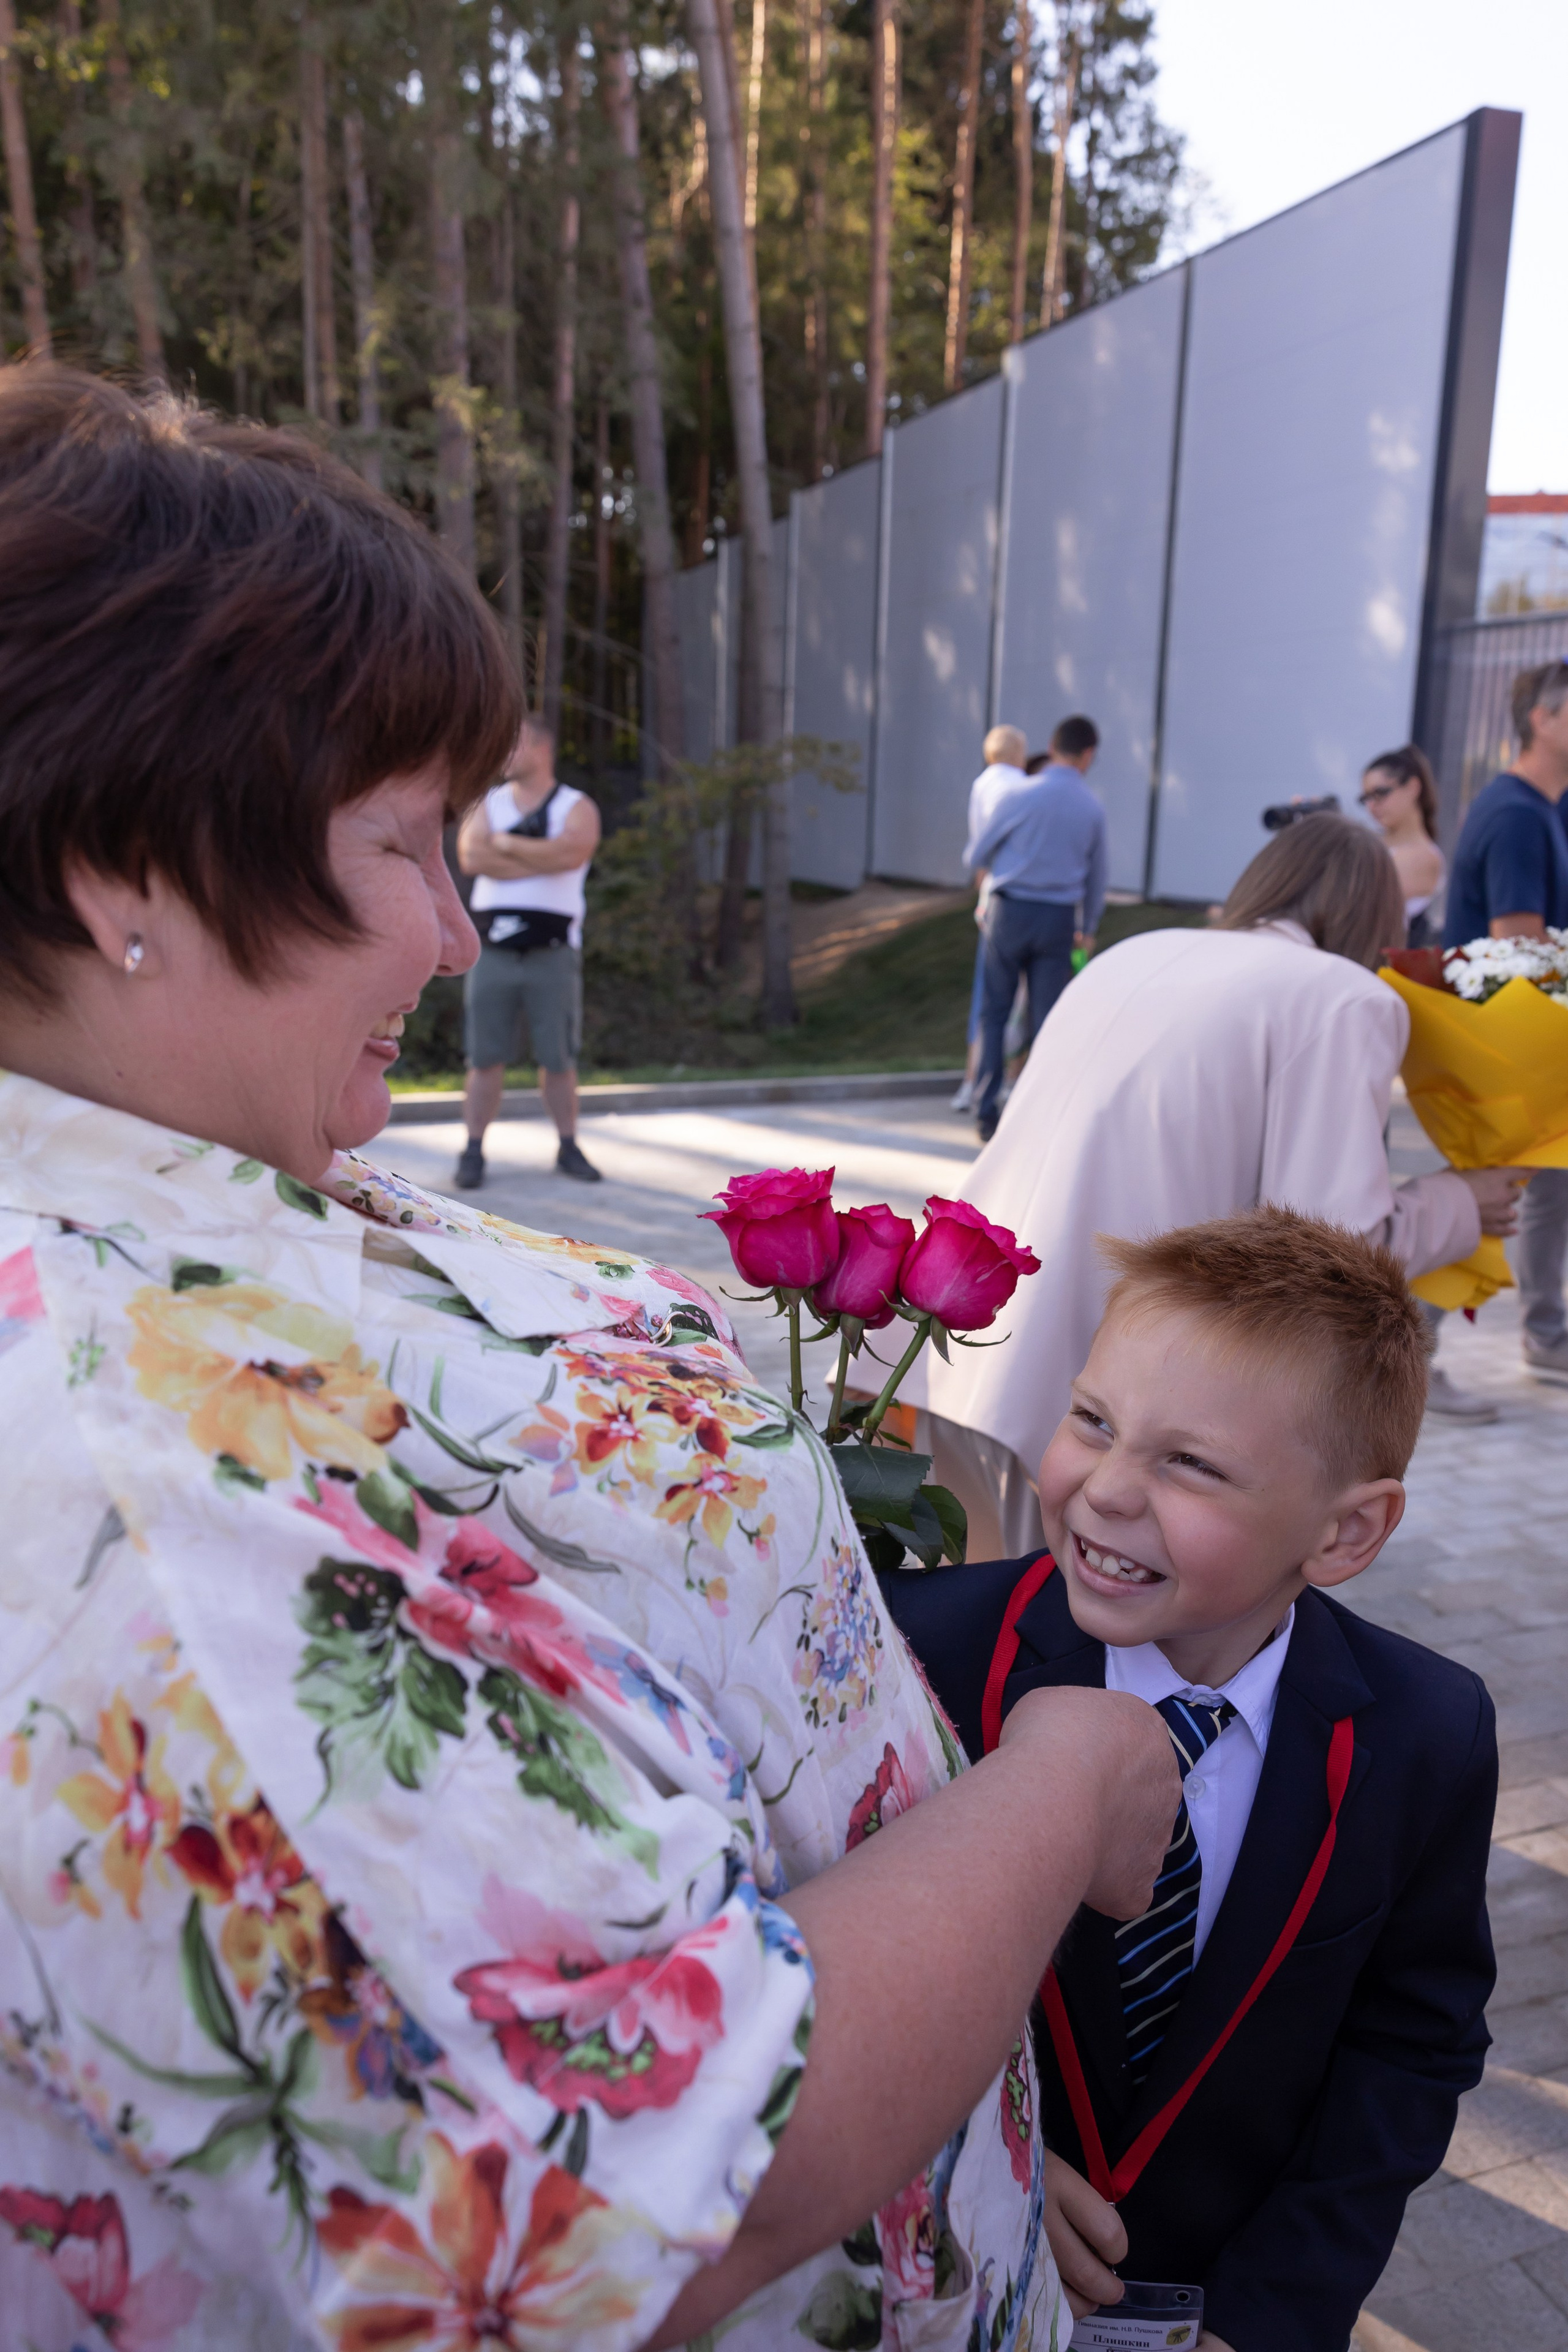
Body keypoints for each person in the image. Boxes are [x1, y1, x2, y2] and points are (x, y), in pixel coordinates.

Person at [0, 364, 1181, 2352]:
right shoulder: (143, 1501)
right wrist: (1058, 1789)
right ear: (128, 867)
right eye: (399, 847)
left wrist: (953, 2116)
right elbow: (630, 2195)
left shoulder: (192, 1189)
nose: (454, 939)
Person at [885, 1207, 1496, 2352]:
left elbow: (1411, 2042)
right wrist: (982, 2154)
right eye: (1093, 1421)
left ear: (1345, 1534)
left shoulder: (1429, 1732)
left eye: (1191, 1465)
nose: (1107, 1489)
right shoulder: (922, 1657)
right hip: (951, 2282)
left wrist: (1274, 2314)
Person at [905, 815, 1525, 1558]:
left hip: (963, 1333)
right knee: (1060, 1644)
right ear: (1376, 917)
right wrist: (1464, 1202)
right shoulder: (1343, 995)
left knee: (977, 1620)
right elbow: (1335, 1241)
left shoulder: (1137, 951)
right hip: (1107, 1394)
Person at [1445, 660, 1568, 1384]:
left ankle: (1545, 1335)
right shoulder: (1518, 815)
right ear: (1541, 721)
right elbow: (1517, 951)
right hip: (1511, 1039)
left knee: (1549, 1186)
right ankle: (1413, 1352)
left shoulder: (1546, 806)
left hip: (1535, 1035)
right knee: (1487, 1196)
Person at [454, 715, 602, 1188]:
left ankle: (568, 1146)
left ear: (541, 748)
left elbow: (571, 856)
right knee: (484, 1057)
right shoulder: (488, 802)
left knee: (558, 1057)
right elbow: (472, 858)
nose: (501, 754)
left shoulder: (576, 806)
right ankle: (474, 1150)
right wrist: (540, 855)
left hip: (553, 953)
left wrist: (506, 846)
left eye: (512, 745)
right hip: (494, 950)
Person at [967, 713, 1107, 1145]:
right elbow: (1096, 879)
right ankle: (1043, 1112)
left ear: (1050, 745)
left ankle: (986, 1110)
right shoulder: (1091, 807)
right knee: (1048, 1020)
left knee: (995, 1012)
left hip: (1009, 913)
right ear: (1088, 756)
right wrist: (1089, 926)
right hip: (1058, 919)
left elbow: (977, 853)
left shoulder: (1021, 795)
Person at [951, 723, 1030, 1115]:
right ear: (1019, 754)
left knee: (988, 998)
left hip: (991, 899)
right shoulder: (1022, 786)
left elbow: (977, 843)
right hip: (1019, 899)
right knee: (1020, 997)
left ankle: (973, 1082)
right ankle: (1012, 1082)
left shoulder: (981, 785)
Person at [1359, 743, 1445, 945]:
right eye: (1366, 798)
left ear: (1414, 787)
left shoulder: (1424, 857)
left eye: (1381, 793)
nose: (1372, 806)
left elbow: (1356, 898)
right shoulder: (1369, 842)